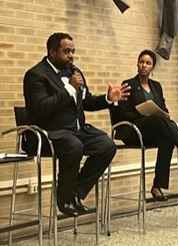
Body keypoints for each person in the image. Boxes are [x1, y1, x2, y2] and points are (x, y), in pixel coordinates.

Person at [23, 32, 130, 217]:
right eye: (66, 51)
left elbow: (86, 102)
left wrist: (107, 99)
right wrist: (69, 88)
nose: (71, 56)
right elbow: (41, 108)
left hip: (77, 131)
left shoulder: (75, 72)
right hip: (49, 133)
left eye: (73, 51)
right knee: (74, 146)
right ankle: (64, 199)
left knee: (107, 145)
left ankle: (74, 193)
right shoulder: (35, 75)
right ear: (52, 52)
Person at [115, 50, 178, 201]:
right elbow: (122, 113)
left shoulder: (156, 86)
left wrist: (158, 114)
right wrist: (143, 113)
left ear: (152, 67)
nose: (144, 65)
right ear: (137, 64)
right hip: (133, 131)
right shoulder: (129, 84)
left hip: (152, 130)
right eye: (141, 62)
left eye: (148, 63)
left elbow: (164, 110)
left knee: (167, 138)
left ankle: (157, 186)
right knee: (158, 118)